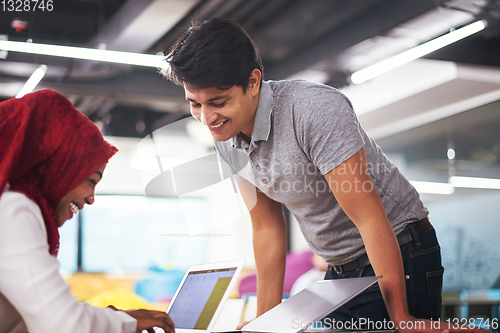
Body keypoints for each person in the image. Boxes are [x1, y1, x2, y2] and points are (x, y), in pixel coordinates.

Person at [162, 18, 485, 333]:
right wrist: (265, 321)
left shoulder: (313, 110)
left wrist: (401, 319)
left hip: (401, 250)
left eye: (217, 102)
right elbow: (267, 227)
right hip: (338, 267)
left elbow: (369, 216)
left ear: (253, 82)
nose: (206, 117)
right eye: (195, 104)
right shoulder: (227, 139)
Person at [0, 90, 175, 333]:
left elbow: (27, 322)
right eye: (91, 181)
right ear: (58, 165)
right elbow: (64, 325)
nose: (91, 199)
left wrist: (115, 319)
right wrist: (125, 323)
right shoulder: (12, 208)